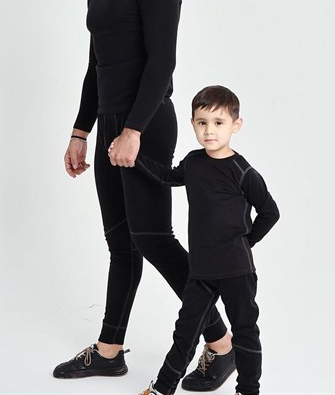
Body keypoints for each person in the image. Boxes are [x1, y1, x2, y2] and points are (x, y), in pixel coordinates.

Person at [53, 0, 236, 390]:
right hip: (110, 124)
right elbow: (96, 68)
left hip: (147, 122)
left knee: (153, 239)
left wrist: (133, 130)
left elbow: (162, 63)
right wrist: (81, 131)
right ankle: (109, 351)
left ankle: (223, 344)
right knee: (121, 242)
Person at [111, 85, 280, 395]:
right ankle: (162, 389)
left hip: (236, 270)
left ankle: (248, 390)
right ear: (192, 124)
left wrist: (246, 242)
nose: (209, 131)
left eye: (218, 123)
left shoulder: (243, 172)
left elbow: (270, 212)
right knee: (185, 333)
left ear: (236, 125)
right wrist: (135, 158)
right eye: (202, 122)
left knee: (245, 332)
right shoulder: (193, 162)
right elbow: (167, 177)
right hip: (201, 271)